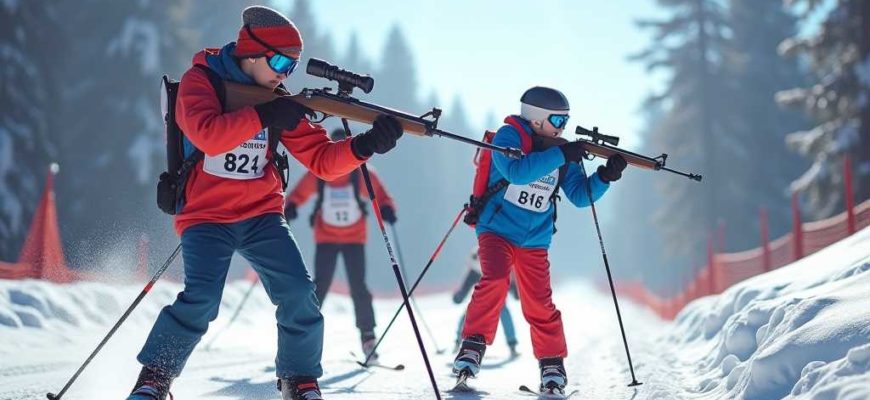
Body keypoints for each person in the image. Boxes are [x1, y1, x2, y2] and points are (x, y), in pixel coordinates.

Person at [128, 6, 403, 400]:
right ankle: (154, 379)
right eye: (278, 62)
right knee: (201, 300)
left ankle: (299, 379)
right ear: (250, 52)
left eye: (291, 66)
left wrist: (364, 146)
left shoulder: (278, 99)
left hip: (262, 215)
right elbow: (209, 135)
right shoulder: (200, 82)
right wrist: (266, 114)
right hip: (206, 216)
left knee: (298, 293)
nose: (283, 73)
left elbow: (323, 160)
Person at [452, 86, 627, 395]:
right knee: (494, 279)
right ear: (536, 119)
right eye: (558, 121)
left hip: (535, 239)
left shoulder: (562, 151)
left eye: (566, 121)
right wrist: (561, 153)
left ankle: (552, 364)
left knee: (539, 302)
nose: (563, 128)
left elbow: (579, 196)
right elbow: (517, 172)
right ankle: (472, 346)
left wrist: (604, 178)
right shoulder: (509, 136)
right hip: (496, 230)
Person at [284, 128, 397, 362]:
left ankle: (368, 337)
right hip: (326, 238)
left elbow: (382, 195)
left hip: (354, 239)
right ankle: (305, 335)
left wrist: (387, 209)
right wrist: (292, 205)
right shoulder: (320, 172)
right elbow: (298, 193)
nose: (339, 154)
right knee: (320, 286)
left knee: (358, 286)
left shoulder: (362, 173)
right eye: (334, 147)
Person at [452, 245, 519, 358]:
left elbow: (510, 277)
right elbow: (466, 285)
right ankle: (458, 341)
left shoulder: (499, 262)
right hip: (481, 299)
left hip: (497, 297)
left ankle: (512, 345)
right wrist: (460, 296)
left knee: (503, 312)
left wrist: (515, 290)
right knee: (468, 314)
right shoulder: (474, 268)